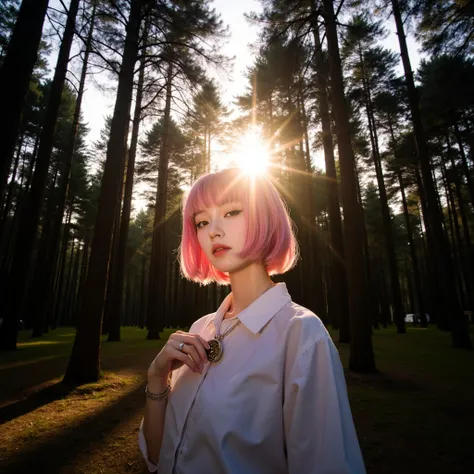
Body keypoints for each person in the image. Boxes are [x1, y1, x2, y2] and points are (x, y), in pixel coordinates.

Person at [139, 167, 366, 474]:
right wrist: (156, 377)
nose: (213, 231)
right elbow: (157, 456)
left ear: (266, 218)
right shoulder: (199, 328)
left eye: (232, 212)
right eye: (202, 221)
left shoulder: (300, 334)